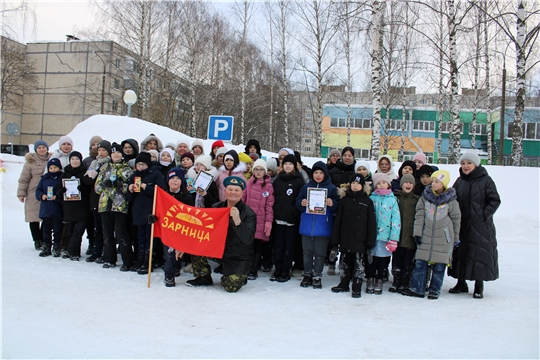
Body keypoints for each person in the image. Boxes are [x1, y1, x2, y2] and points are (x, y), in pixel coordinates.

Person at [186, 176, 257, 293]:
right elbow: (204, 230)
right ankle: (203, 276)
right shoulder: (216, 207)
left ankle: (237, 275)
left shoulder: (249, 213)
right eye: (230, 189)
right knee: (196, 243)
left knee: (231, 287)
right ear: (225, 191)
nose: (233, 193)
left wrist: (238, 222)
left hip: (237, 255)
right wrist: (182, 245)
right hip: (218, 250)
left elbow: (248, 239)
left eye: (236, 190)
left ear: (241, 193)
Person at [447, 151, 501, 299]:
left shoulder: (486, 180)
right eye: (463, 163)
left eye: (469, 163)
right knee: (462, 253)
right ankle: (461, 282)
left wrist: (483, 215)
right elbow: (452, 198)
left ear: (476, 164)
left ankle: (479, 286)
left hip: (481, 226)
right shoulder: (460, 181)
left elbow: (495, 200)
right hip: (462, 224)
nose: (465, 166)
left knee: (478, 254)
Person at [401, 170, 461, 300]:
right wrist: (417, 232)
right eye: (433, 181)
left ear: (443, 184)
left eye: (437, 181)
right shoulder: (425, 198)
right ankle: (417, 288)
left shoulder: (451, 201)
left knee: (439, 266)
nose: (433, 183)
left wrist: (455, 239)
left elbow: (456, 220)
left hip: (444, 239)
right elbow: (419, 216)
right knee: (420, 263)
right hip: (425, 236)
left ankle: (435, 290)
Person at [330, 174, 377, 298]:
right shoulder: (344, 200)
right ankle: (344, 283)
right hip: (345, 239)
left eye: (358, 184)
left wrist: (370, 241)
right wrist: (336, 239)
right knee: (344, 263)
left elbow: (371, 223)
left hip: (360, 241)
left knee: (359, 264)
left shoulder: (367, 201)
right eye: (353, 183)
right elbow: (338, 220)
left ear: (362, 186)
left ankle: (357, 286)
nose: (355, 186)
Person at [296, 161, 339, 289]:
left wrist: (333, 204)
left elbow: (337, 206)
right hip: (307, 225)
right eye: (316, 172)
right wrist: (301, 203)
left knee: (320, 253)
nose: (318, 175)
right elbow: (297, 201)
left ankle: (317, 275)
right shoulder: (306, 187)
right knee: (307, 252)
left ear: (325, 174)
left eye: (321, 173)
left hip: (323, 227)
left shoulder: (331, 188)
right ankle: (307, 274)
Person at [95, 143, 134, 270]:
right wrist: (104, 185)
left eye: (118, 152)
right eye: (113, 153)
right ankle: (109, 259)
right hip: (105, 205)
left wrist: (120, 185)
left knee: (121, 233)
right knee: (107, 233)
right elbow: (97, 188)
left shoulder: (126, 169)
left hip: (120, 205)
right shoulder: (104, 168)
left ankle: (127, 261)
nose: (116, 155)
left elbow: (130, 188)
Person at [127, 152, 166, 274]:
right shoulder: (133, 176)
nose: (140, 167)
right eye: (138, 164)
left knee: (149, 238)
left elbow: (161, 191)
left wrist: (147, 187)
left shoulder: (155, 174)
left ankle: (148, 262)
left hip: (151, 211)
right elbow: (129, 198)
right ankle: (140, 260)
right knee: (140, 238)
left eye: (143, 164)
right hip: (138, 211)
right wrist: (130, 190)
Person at [271, 154, 304, 282]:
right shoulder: (278, 181)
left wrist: (294, 212)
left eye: (290, 164)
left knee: (289, 246)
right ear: (282, 166)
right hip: (278, 218)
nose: (288, 166)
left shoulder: (299, 181)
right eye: (285, 164)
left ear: (294, 166)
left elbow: (300, 199)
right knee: (278, 245)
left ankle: (286, 270)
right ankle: (277, 269)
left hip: (291, 220)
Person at [368, 172, 401, 295]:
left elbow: (396, 220)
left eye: (384, 183)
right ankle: (370, 278)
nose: (381, 185)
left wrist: (393, 238)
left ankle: (379, 280)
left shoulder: (392, 200)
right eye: (379, 183)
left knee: (382, 261)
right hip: (373, 236)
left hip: (385, 237)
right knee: (372, 259)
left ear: (388, 184)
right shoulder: (371, 198)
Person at [162, 167, 195, 287]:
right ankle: (169, 275)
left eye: (178, 178)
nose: (175, 181)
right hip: (167, 227)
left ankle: (176, 266)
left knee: (178, 251)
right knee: (169, 252)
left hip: (181, 228)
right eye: (172, 178)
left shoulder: (187, 196)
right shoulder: (162, 194)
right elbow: (157, 210)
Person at [242, 159, 274, 280]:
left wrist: (268, 222)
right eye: (256, 169)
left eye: (261, 169)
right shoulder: (248, 184)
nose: (258, 172)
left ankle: (254, 269)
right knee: (247, 246)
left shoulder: (268, 187)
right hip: (248, 220)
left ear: (265, 171)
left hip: (261, 220)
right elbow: (243, 201)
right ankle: (246, 267)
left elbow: (269, 206)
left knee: (258, 246)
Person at [17, 140, 52, 250]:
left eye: (43, 147)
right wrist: (21, 193)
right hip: (33, 193)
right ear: (36, 149)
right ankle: (37, 240)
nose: (42, 149)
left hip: (48, 193)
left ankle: (44, 238)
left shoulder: (52, 159)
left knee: (46, 218)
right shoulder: (30, 162)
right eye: (39, 147)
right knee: (33, 218)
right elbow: (24, 179)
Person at [82, 140, 111, 263]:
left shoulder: (110, 163)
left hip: (105, 199)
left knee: (105, 228)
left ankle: (106, 252)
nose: (101, 152)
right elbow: (86, 181)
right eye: (99, 150)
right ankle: (96, 251)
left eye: (104, 150)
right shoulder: (94, 163)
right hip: (94, 199)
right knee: (96, 228)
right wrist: (90, 176)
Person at [58, 151, 90, 261]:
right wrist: (62, 191)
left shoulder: (85, 172)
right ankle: (74, 252)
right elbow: (58, 190)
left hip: (82, 207)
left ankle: (72, 251)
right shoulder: (65, 173)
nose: (75, 161)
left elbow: (90, 189)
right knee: (70, 230)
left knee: (78, 231)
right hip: (69, 207)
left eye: (77, 159)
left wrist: (83, 190)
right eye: (72, 159)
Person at [390, 174, 420, 293]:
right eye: (406, 183)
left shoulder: (417, 200)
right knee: (396, 260)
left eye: (411, 183)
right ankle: (396, 281)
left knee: (407, 262)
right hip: (397, 236)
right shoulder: (395, 198)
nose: (408, 185)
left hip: (410, 237)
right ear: (401, 184)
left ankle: (405, 282)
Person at [35, 158, 64, 257]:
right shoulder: (44, 178)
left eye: (55, 167)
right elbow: (38, 190)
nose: (53, 169)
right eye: (51, 168)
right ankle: (46, 246)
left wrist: (58, 196)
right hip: (46, 209)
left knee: (57, 230)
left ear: (59, 168)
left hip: (57, 209)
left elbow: (64, 191)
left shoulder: (61, 178)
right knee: (46, 230)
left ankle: (57, 246)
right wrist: (41, 195)